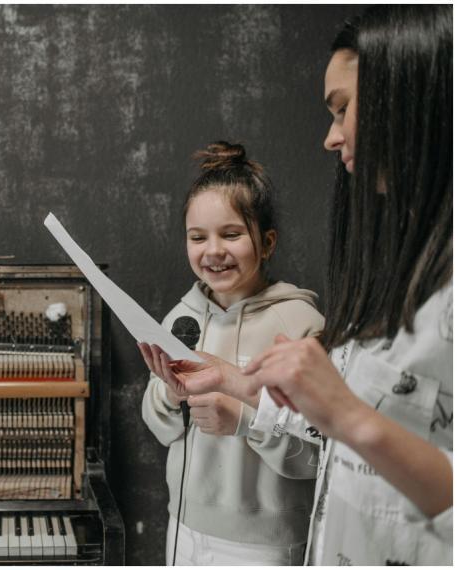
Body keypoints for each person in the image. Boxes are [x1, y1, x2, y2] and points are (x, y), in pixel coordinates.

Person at [143, 6, 452, 565]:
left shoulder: (303, 316)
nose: (331, 138)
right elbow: (336, 448)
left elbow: (345, 438)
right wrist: (230, 381)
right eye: (197, 237)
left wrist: (340, 415)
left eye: (343, 108)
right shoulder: (394, 274)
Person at [140, 141, 325, 566]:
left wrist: (244, 420)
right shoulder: (180, 319)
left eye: (231, 234)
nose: (213, 251)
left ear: (267, 242)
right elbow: (159, 426)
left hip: (264, 544)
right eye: (197, 237)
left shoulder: (299, 323)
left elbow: (319, 452)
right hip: (183, 528)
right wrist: (170, 394)